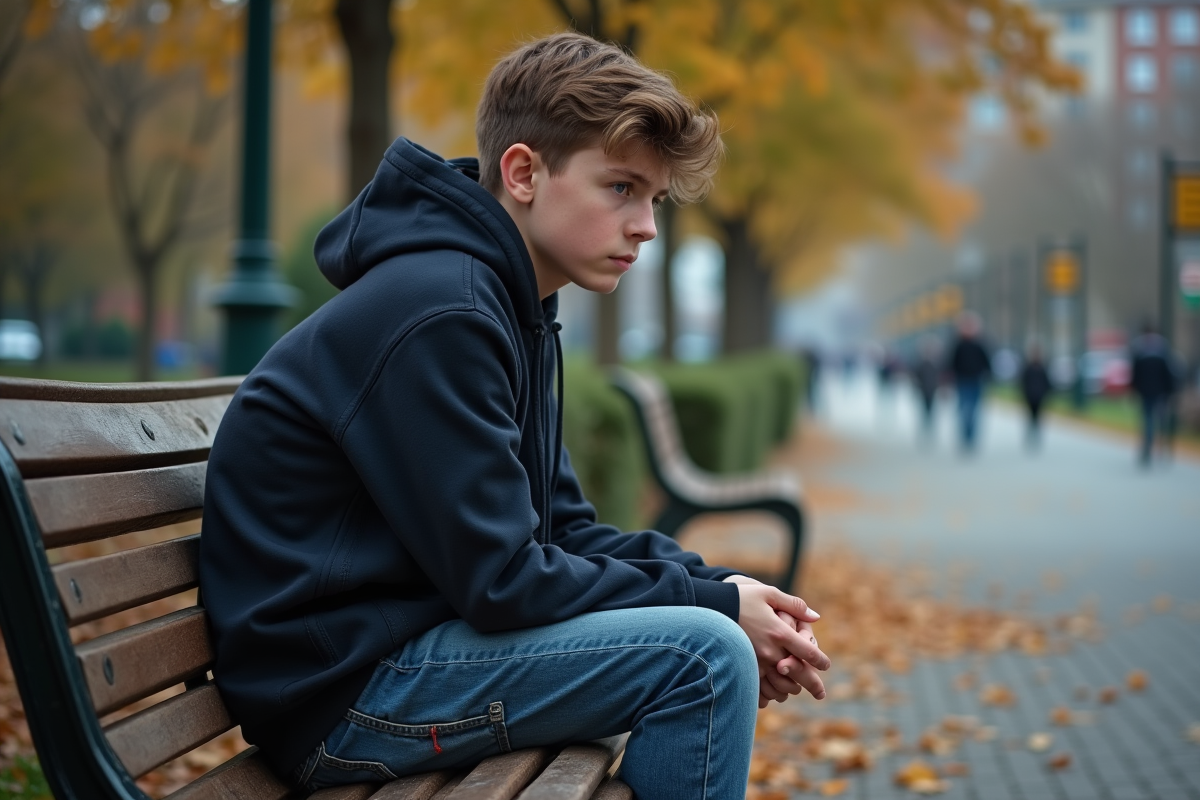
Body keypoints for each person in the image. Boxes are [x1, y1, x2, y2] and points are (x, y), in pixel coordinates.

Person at [198, 33, 830, 799]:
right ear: (524, 172)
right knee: (700, 659)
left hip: (396, 655)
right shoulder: (442, 313)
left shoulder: (508, 303)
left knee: (709, 640)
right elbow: (504, 581)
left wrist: (722, 584)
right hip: (342, 694)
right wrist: (716, 609)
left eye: (654, 199)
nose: (647, 228)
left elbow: (560, 528)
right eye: (621, 188)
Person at [1129, 323, 1178, 466]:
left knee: (1148, 419)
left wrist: (1134, 389)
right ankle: (1161, 446)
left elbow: (1135, 374)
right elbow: (1168, 373)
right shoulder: (1162, 349)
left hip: (1145, 391)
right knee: (1160, 419)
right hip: (1160, 391)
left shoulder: (1139, 350)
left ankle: (1148, 447)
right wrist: (1171, 390)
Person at [946, 311, 992, 453]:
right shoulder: (957, 344)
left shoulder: (980, 344)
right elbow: (950, 364)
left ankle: (971, 437)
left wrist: (989, 377)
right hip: (962, 381)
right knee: (964, 409)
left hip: (976, 381)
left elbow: (987, 363)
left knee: (974, 410)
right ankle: (964, 436)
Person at [1019, 344, 1052, 450]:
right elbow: (1023, 383)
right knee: (1030, 417)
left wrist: (1047, 394)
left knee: (1037, 417)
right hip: (1030, 397)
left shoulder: (1042, 368)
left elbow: (1047, 383)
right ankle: (1030, 435)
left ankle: (1036, 435)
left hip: (1040, 397)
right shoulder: (1028, 368)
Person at [910, 337, 941, 442]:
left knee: (931, 409)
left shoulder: (936, 363)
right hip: (923, 389)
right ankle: (925, 427)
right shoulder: (921, 363)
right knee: (924, 409)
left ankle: (929, 427)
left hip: (932, 389)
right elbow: (915, 376)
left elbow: (939, 377)